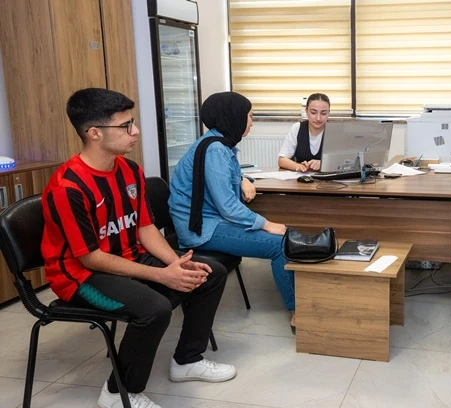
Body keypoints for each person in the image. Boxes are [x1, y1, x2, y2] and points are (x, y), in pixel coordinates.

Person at [41, 88, 236, 408]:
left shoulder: (130, 170)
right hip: (81, 278)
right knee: (154, 308)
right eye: (125, 125)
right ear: (94, 133)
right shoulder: (68, 187)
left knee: (208, 273)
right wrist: (161, 276)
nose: (135, 131)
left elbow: (145, 228)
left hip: (127, 256)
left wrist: (176, 264)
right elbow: (91, 258)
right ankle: (118, 392)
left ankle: (187, 361)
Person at [168, 92, 296, 331]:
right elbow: (228, 207)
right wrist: (266, 224)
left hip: (210, 221)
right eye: (250, 116)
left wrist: (243, 179)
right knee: (280, 244)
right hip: (201, 230)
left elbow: (225, 178)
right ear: (234, 116)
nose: (252, 123)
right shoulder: (215, 150)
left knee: (285, 235)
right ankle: (297, 311)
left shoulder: (219, 143)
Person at [278, 93, 330, 172]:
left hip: (327, 178)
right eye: (313, 112)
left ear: (328, 113)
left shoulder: (335, 131)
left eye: (323, 113)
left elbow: (345, 162)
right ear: (306, 111)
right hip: (301, 178)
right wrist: (298, 166)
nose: (318, 118)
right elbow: (282, 160)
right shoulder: (297, 128)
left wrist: (324, 164)